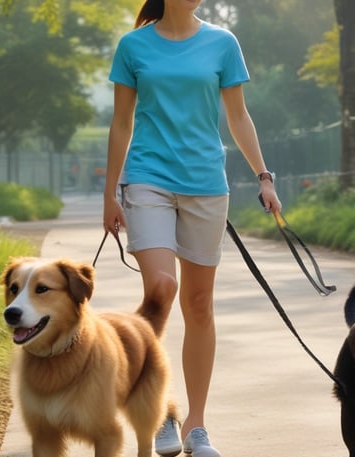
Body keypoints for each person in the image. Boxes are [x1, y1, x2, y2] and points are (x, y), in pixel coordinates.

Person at [102, 1, 281, 456]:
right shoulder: (133, 46)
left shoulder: (223, 43)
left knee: (199, 305)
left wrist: (264, 177)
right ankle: (160, 410)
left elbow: (238, 116)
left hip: (205, 183)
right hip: (147, 178)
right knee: (161, 290)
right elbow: (121, 122)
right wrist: (110, 193)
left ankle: (195, 425)